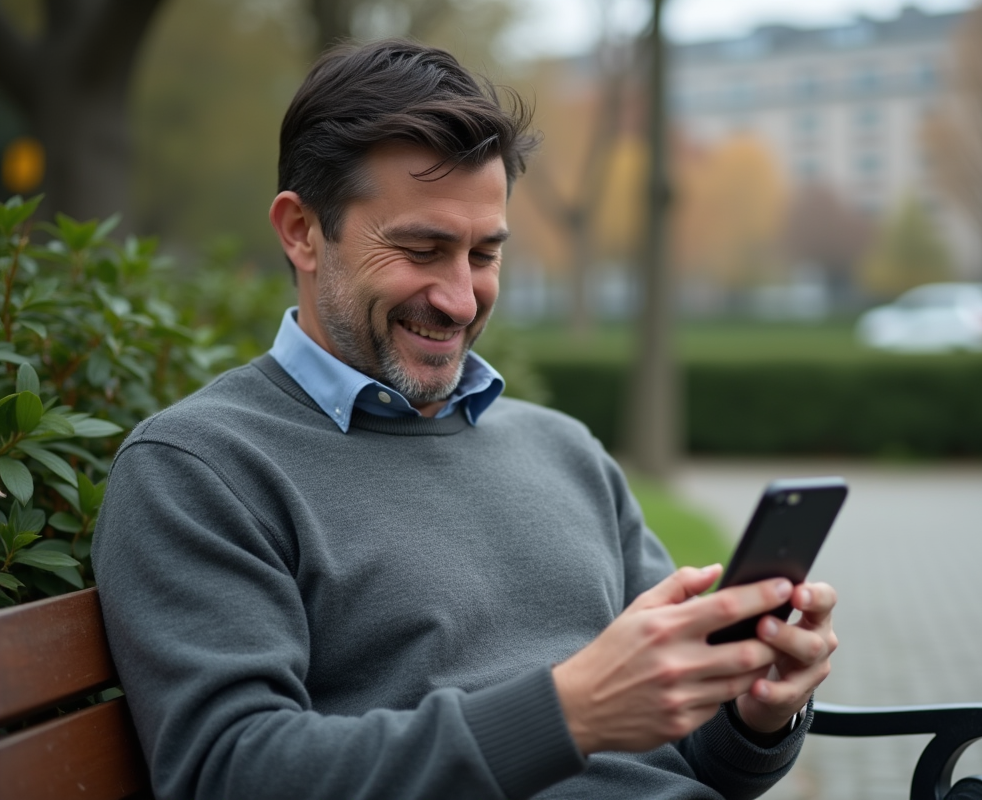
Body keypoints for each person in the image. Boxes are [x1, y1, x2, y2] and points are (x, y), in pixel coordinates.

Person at [92, 39, 838, 800]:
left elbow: (693, 756)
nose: (459, 298)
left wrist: (756, 712)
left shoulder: (564, 450)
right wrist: (567, 714)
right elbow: (229, 771)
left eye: (484, 255)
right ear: (302, 232)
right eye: (423, 248)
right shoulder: (199, 468)